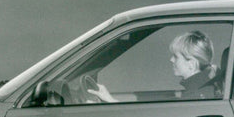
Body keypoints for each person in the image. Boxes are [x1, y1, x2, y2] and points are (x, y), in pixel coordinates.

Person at [87, 30, 217, 102]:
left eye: (176, 57)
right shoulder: (201, 90)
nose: (171, 60)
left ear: (191, 64)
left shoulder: (195, 97)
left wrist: (110, 101)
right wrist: (110, 100)